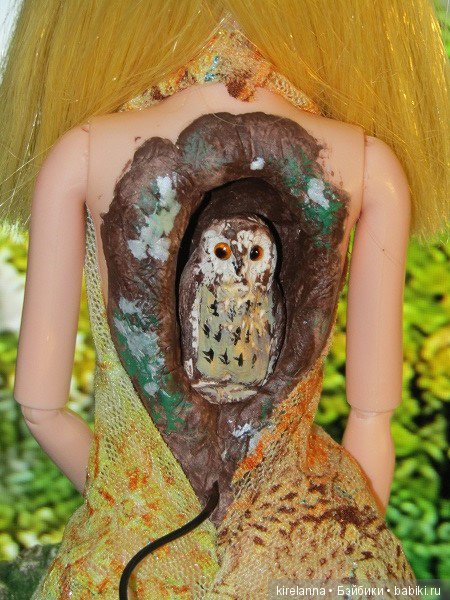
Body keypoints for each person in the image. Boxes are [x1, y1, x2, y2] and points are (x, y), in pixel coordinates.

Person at [1, 1, 448, 597]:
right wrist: (340, 536)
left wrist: (133, 498)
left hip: (132, 552)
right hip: (300, 548)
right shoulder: (369, 164)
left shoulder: (82, 152)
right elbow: (373, 417)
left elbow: (40, 408)